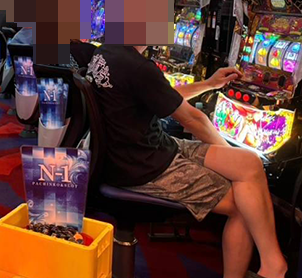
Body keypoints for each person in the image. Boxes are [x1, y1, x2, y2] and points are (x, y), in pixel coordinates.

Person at [86, 44, 287, 278]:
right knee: (244, 206)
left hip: (136, 153)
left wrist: (209, 84)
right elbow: (193, 120)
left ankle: (274, 265)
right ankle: (272, 266)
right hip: (143, 167)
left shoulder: (108, 52)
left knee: (248, 163)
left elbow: (160, 94)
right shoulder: (139, 67)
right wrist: (226, 155)